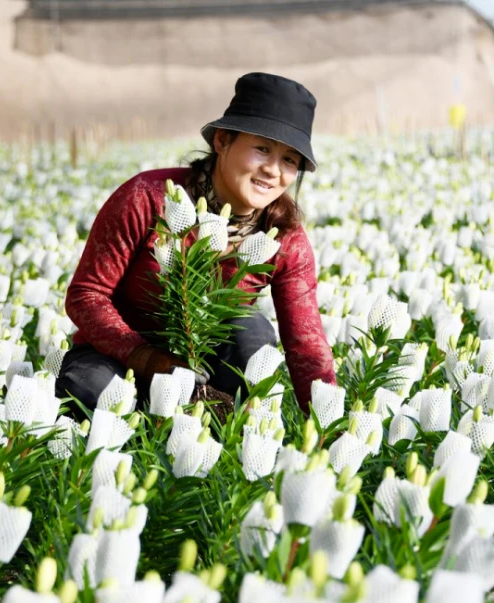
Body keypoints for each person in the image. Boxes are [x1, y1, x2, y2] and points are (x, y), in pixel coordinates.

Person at [56, 72, 336, 418]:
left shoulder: (282, 237)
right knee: (90, 392)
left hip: (206, 371)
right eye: (262, 149)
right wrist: (145, 357)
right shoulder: (149, 198)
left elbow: (305, 345)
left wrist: (329, 430)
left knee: (251, 330)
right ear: (222, 141)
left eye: (289, 160)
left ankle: (219, 426)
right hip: (114, 356)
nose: (273, 171)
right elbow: (86, 295)